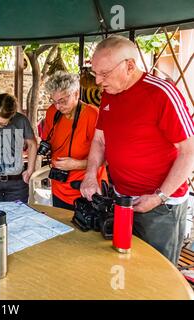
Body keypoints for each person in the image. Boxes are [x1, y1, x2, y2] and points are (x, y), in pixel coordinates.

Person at [80, 35, 194, 265]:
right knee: (125, 266)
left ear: (129, 66)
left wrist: (159, 196)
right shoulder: (109, 95)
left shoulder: (161, 93)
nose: (98, 81)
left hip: (160, 207)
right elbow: (100, 141)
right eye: (95, 74)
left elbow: (189, 151)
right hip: (121, 200)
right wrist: (91, 174)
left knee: (157, 274)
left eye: (104, 73)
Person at [40, 71, 108, 210]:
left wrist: (76, 164)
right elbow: (47, 141)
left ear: (76, 94)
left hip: (87, 189)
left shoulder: (92, 115)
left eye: (62, 101)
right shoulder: (52, 112)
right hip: (59, 186)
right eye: (54, 101)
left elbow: (107, 159)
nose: (58, 106)